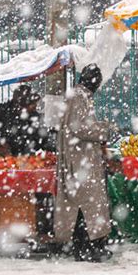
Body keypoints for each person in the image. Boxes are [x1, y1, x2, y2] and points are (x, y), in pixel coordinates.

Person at [54, 64, 116, 262]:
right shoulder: (79, 97)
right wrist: (106, 129)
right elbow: (80, 128)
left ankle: (86, 246)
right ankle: (86, 248)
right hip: (80, 161)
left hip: (80, 159)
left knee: (83, 206)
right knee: (87, 206)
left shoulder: (78, 95)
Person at [0, 85, 51, 156]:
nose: (35, 107)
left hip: (23, 163)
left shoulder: (34, 117)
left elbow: (43, 140)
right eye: (32, 105)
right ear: (20, 105)